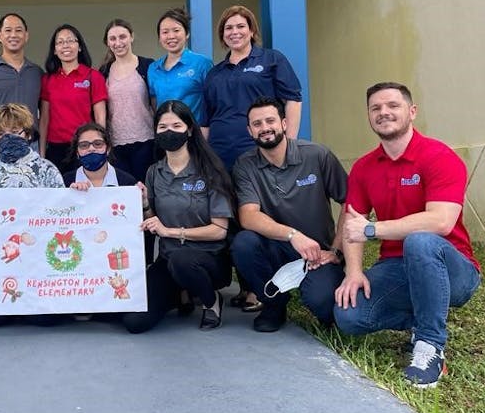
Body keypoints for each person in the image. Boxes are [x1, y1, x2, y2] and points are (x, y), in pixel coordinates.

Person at [334, 82, 482, 388]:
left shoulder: (439, 156)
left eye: (393, 105)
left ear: (412, 112)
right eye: (375, 108)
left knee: (421, 240)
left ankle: (430, 346)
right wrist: (353, 271)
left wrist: (374, 229)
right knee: (349, 315)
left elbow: (441, 222)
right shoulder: (363, 168)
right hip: (397, 266)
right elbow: (352, 222)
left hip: (453, 271)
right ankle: (423, 318)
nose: (384, 113)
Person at [230, 97, 346, 332]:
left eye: (270, 121)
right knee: (243, 243)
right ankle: (274, 304)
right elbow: (248, 216)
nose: (265, 128)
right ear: (250, 130)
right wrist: (293, 235)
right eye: (257, 124)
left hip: (318, 253)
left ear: (284, 123)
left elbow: (350, 203)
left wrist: (335, 251)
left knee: (322, 303)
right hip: (278, 248)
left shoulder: (317, 155)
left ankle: (321, 292)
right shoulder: (245, 165)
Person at [125, 100, 234, 333]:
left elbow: (219, 230)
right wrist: (145, 204)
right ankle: (179, 294)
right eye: (163, 127)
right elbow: (153, 219)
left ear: (190, 130)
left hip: (208, 259)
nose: (169, 132)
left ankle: (211, 301)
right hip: (169, 260)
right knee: (135, 322)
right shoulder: (154, 172)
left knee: (182, 260)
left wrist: (171, 232)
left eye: (176, 125)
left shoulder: (210, 171)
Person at [0, 103, 64, 325]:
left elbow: (62, 210)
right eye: (0, 133)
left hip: (37, 253)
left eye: (14, 132)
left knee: (44, 321)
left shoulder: (46, 169)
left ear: (27, 134)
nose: (7, 137)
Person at [203, 5, 302, 171]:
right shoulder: (214, 73)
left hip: (261, 151)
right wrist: (203, 156)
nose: (234, 32)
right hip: (219, 155)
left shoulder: (272, 59)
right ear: (222, 35)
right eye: (228, 28)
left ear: (251, 31)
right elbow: (205, 121)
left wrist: (289, 145)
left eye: (241, 26)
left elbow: (293, 100)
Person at [39, 24, 107, 171]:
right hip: (56, 148)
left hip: (85, 146)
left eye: (70, 40)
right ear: (55, 51)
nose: (65, 45)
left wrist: (101, 146)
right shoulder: (48, 79)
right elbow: (44, 119)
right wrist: (42, 154)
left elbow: (100, 117)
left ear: (80, 46)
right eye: (60, 42)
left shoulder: (93, 76)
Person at [98, 19, 155, 183]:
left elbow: (155, 105)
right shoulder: (103, 72)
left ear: (131, 37)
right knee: (124, 194)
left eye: (122, 37)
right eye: (113, 39)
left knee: (145, 192)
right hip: (116, 145)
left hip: (146, 141)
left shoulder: (147, 66)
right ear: (107, 43)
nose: (118, 43)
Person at [147, 8, 213, 126]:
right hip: (165, 135)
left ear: (187, 33)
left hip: (195, 133)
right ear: (159, 37)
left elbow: (212, 101)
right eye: (165, 32)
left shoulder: (202, 63)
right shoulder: (153, 68)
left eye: (176, 30)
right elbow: (154, 104)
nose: (171, 36)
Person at [63, 123, 138, 189]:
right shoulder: (65, 182)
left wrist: (144, 203)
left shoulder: (127, 182)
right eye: (84, 145)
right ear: (77, 152)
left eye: (98, 144)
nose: (91, 149)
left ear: (108, 149)